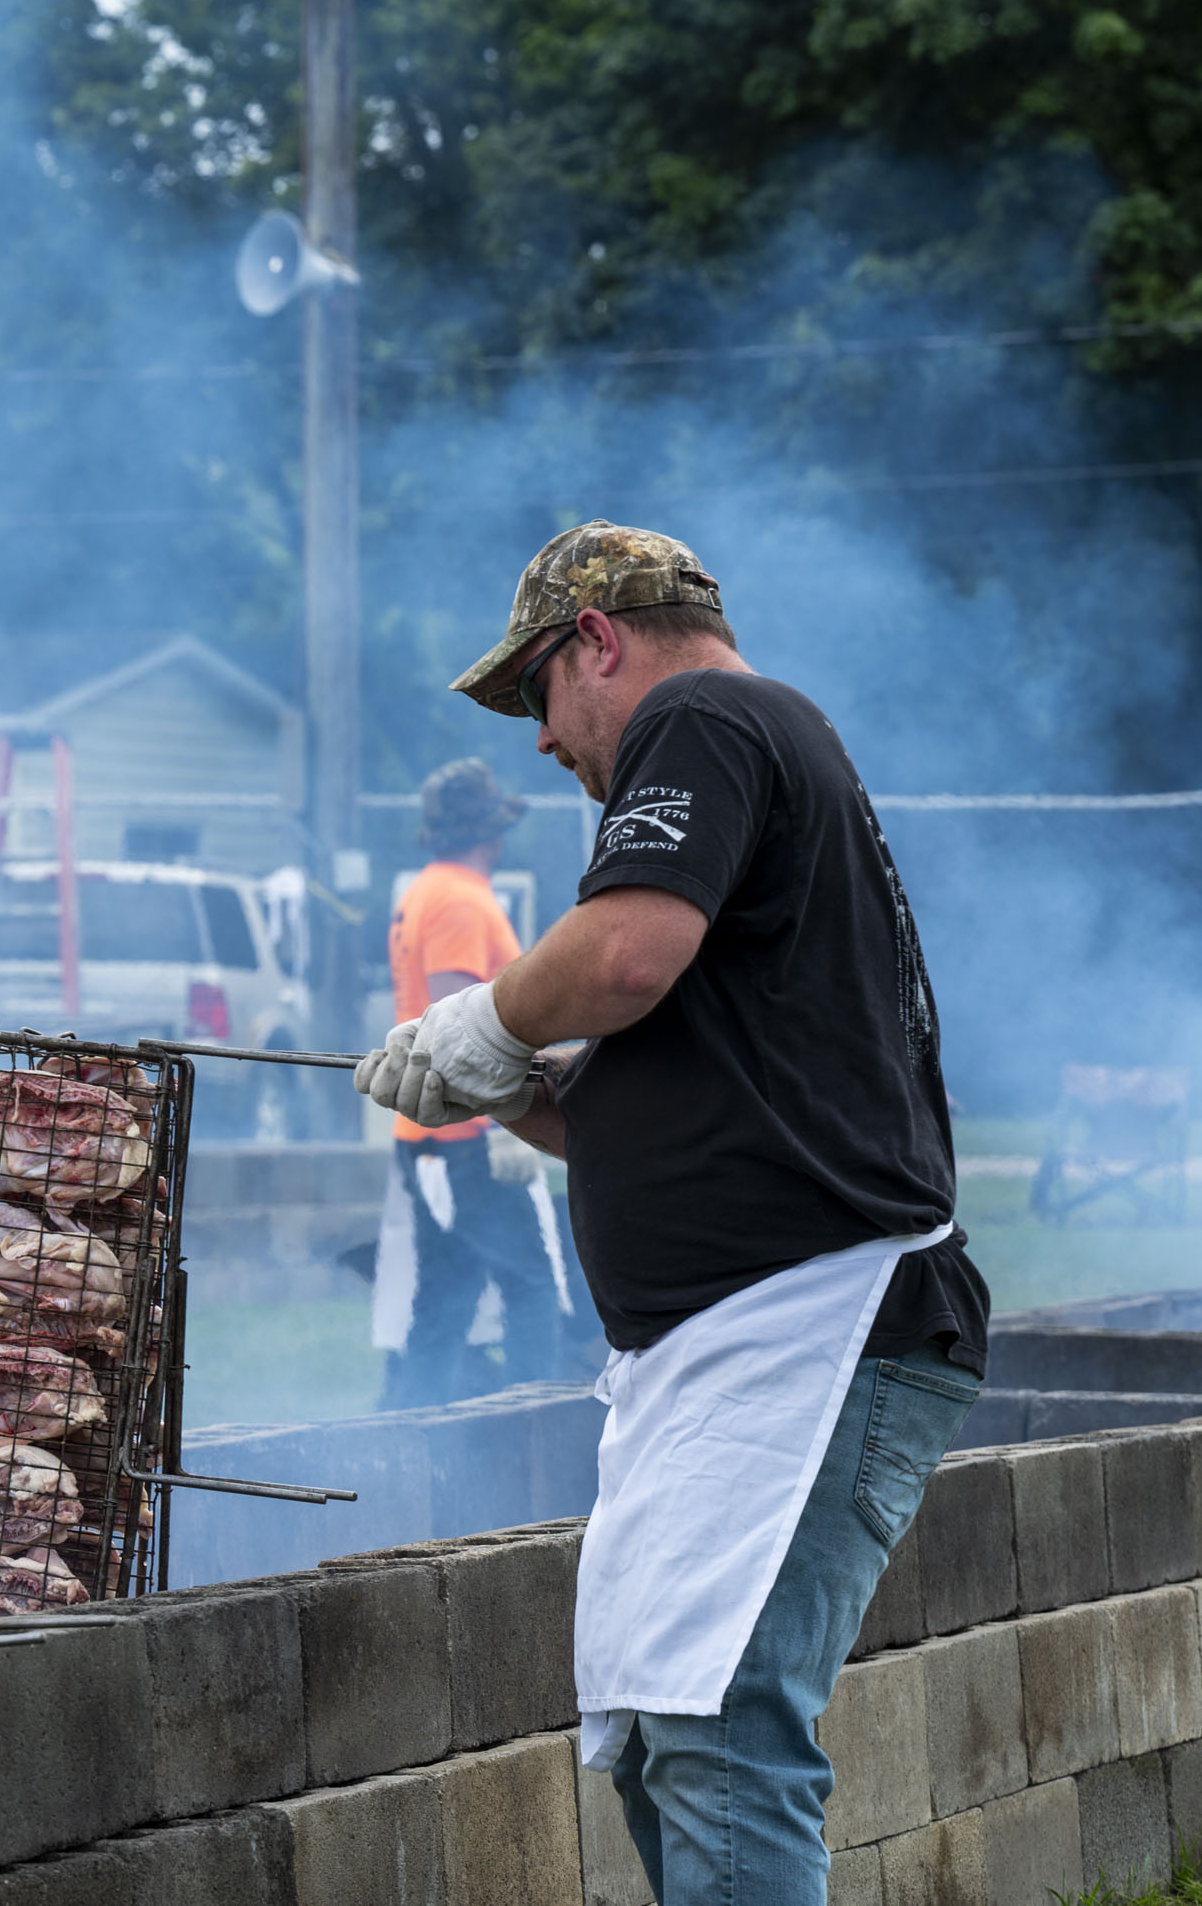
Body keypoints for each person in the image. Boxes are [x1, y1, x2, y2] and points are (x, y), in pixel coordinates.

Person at [356, 522, 988, 1905]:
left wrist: (482, 1018)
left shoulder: (705, 713)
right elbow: (642, 1094)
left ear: (595, 638)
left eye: (535, 693)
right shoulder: (755, 747)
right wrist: (502, 1080)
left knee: (720, 1733)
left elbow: (628, 954)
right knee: (662, 1740)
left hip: (815, 1325)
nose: (538, 741)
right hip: (728, 1347)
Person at [374, 757, 570, 1406]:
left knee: (446, 1292)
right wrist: (501, 1122)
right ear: (490, 830)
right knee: (531, 1284)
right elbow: (457, 1023)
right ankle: (531, 1422)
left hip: (441, 1133)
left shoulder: (431, 889)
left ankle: (414, 1428)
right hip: (467, 1137)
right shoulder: (459, 899)